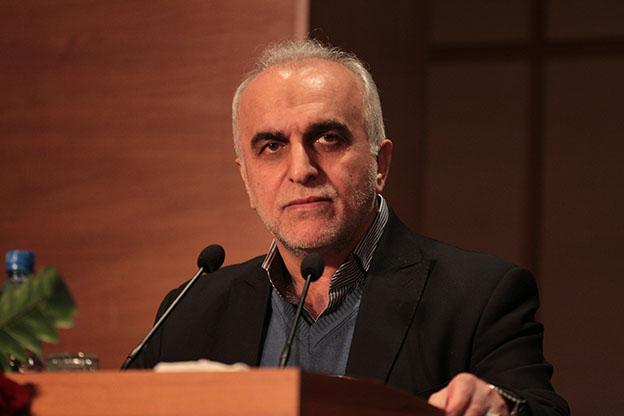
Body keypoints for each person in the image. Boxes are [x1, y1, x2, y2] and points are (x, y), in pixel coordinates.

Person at [131, 40, 569, 416]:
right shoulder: (191, 311)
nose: (301, 170)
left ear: (381, 164)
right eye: (272, 146)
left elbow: (536, 406)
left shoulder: (478, 294)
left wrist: (499, 406)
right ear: (246, 178)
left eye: (328, 138)